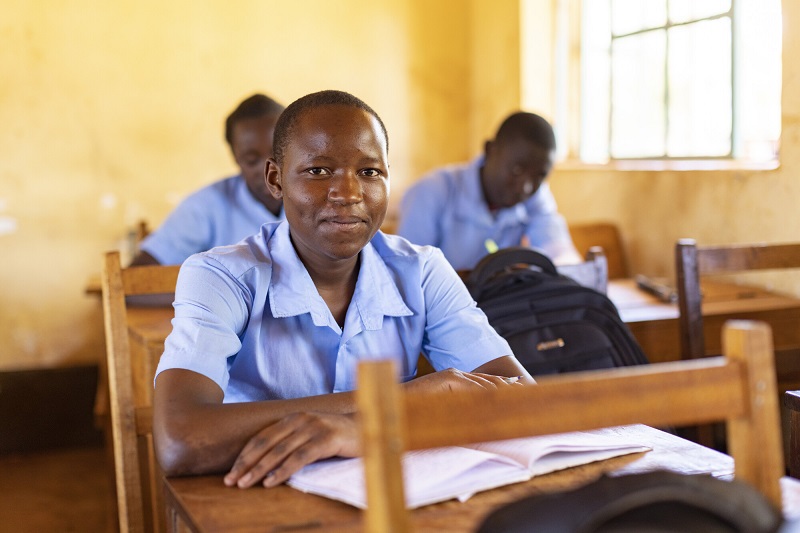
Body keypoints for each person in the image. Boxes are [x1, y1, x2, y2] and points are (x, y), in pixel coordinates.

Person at [152, 90, 534, 490]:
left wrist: (362, 432)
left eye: (370, 172)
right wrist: (395, 404)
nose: (349, 194)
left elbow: (522, 405)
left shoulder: (421, 270)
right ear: (275, 180)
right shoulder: (221, 276)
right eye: (318, 171)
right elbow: (180, 440)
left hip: (396, 497)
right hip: (260, 501)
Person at [396, 112, 581, 271]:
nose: (526, 187)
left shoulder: (536, 196)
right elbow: (408, 275)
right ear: (490, 150)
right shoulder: (431, 192)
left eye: (539, 176)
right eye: (516, 170)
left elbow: (561, 255)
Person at [130, 93, 286, 266]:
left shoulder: (315, 198)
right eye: (251, 160)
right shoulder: (205, 207)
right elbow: (137, 280)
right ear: (235, 156)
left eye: (277, 155)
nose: (268, 169)